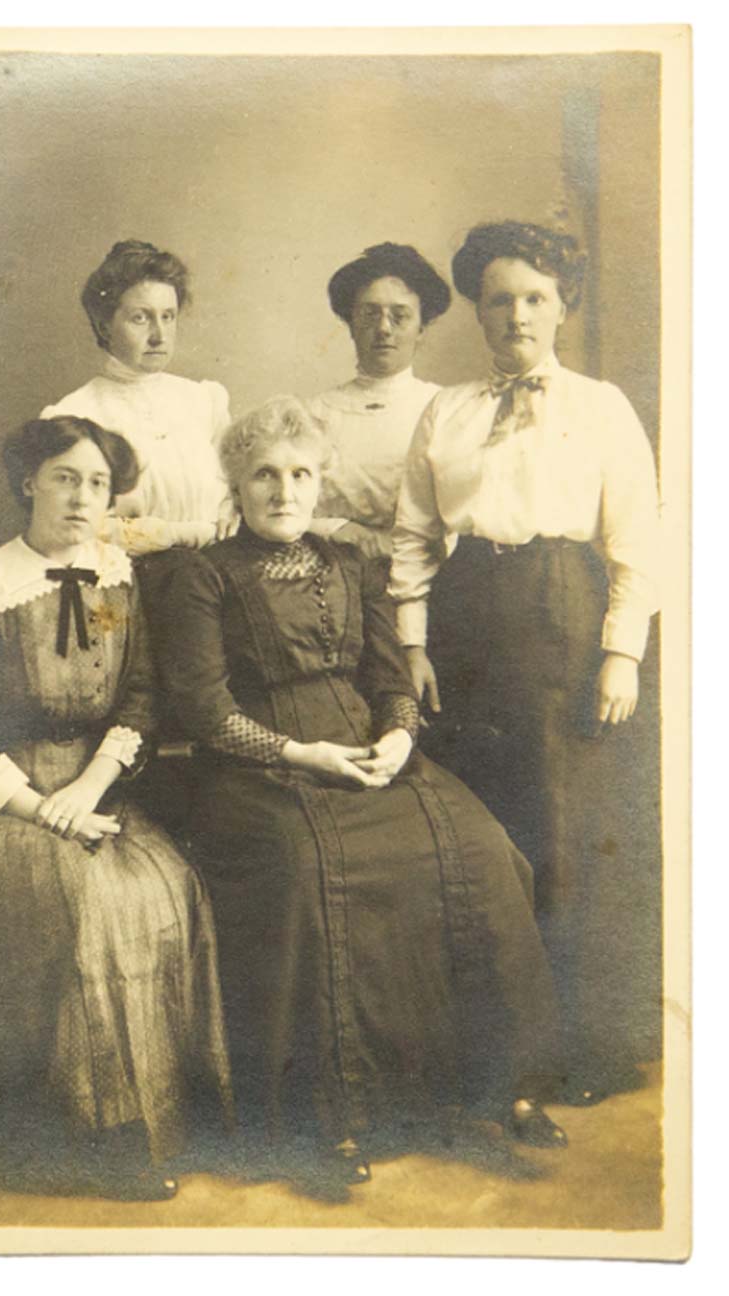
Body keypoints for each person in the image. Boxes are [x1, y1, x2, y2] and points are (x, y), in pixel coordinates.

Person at [143, 395, 567, 1190]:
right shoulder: (201, 577)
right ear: (236, 485)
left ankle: (501, 1088)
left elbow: (387, 678)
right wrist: (304, 754)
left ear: (320, 483)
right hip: (255, 769)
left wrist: (399, 737)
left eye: (300, 473)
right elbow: (204, 710)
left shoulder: (349, 565)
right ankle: (329, 1119)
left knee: (480, 848)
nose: (283, 490)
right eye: (264, 474)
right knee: (305, 869)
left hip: (370, 751)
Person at [390, 221, 661, 1105]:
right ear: (476, 308)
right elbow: (413, 539)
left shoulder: (600, 405)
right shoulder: (448, 409)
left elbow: (636, 544)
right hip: (468, 626)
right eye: (499, 298)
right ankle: (492, 1052)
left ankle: (576, 1050)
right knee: (483, 830)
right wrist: (413, 644)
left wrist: (620, 653)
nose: (517, 315)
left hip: (563, 621)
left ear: (561, 306)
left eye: (535, 298)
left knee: (562, 831)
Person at [0, 415, 233, 1199]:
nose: (82, 497)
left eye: (99, 483)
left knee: (170, 882)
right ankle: (90, 1139)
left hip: (96, 787)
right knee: (92, 900)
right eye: (66, 478)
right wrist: (42, 809)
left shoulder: (114, 579)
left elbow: (136, 694)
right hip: (5, 801)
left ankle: (168, 1122)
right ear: (29, 483)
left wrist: (89, 788)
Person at [41, 239, 232, 555]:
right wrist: (188, 534)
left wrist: (231, 511)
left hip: (221, 566)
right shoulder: (77, 414)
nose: (159, 335)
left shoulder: (202, 401)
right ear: (104, 326)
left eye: (168, 317)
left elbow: (236, 490)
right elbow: (79, 527)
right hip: (132, 579)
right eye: (140, 318)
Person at [307, 242, 450, 564]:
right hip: (331, 567)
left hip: (427, 570)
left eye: (400, 316)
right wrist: (337, 527)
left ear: (421, 327)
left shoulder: (446, 409)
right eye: (370, 314)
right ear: (351, 324)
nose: (384, 328)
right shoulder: (315, 413)